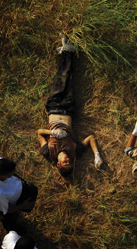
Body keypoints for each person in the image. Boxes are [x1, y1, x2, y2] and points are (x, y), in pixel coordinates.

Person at [38, 35, 104, 178]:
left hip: (54, 107)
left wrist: (52, 134)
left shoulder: (48, 152)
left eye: (65, 162)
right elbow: (91, 138)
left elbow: (39, 132)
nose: (68, 160)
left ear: (58, 164)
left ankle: (66, 52)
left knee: (60, 79)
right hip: (68, 109)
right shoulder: (74, 151)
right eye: (70, 162)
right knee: (69, 79)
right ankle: (67, 52)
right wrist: (96, 155)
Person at [0, 153, 38, 233]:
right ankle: (14, 230)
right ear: (4, 176)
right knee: (10, 220)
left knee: (33, 189)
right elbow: (7, 210)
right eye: (12, 172)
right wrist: (23, 205)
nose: (15, 172)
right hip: (6, 206)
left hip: (16, 190)